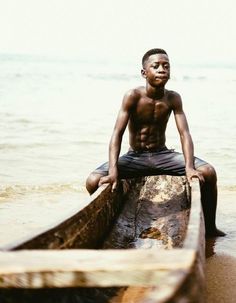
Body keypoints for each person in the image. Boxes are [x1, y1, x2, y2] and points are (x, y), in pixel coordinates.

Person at [86, 48, 225, 237]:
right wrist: (112, 171)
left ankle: (210, 227)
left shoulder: (173, 98)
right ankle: (102, 229)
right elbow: (116, 134)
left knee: (209, 172)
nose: (162, 69)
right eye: (156, 66)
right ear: (144, 72)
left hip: (162, 155)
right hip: (135, 157)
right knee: (93, 181)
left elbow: (184, 134)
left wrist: (190, 167)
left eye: (166, 66)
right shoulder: (132, 96)